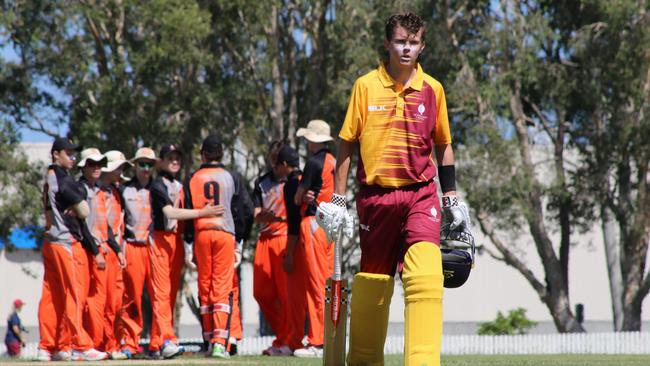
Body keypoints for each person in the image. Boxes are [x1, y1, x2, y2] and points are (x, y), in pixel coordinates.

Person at [316, 12, 471, 366]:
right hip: (377, 198)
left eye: (413, 43)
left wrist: (451, 197)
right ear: (388, 43)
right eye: (401, 41)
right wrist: (338, 200)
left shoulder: (433, 89)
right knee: (374, 281)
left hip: (420, 194)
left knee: (427, 276)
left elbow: (443, 145)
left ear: (422, 46)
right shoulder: (365, 86)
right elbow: (346, 144)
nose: (407, 49)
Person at [37, 137, 107, 362]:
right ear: (56, 154)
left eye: (74, 154)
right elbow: (85, 211)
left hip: (50, 241)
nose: (73, 157)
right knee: (75, 294)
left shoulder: (49, 177)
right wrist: (77, 208)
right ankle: (81, 345)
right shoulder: (62, 178)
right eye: (69, 153)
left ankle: (49, 346)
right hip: (65, 242)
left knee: (51, 297)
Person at [149, 144, 222, 358]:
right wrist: (202, 212)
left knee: (171, 294)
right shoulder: (157, 185)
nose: (174, 161)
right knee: (161, 293)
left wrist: (190, 247)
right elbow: (169, 212)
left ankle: (158, 341)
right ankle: (166, 340)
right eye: (169, 157)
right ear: (160, 161)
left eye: (177, 157)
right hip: (161, 241)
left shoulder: (180, 185)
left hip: (176, 242)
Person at [183, 135, 253, 359]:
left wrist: (187, 244)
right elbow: (245, 210)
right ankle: (220, 343)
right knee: (222, 287)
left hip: (202, 234)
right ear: (221, 154)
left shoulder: (193, 178)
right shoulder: (232, 177)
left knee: (205, 286)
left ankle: (207, 338)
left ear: (202, 154)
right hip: (224, 235)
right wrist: (240, 241)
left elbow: (185, 214)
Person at [286, 120, 336, 358]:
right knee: (326, 283)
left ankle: (317, 341)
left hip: (314, 222)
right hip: (330, 226)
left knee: (316, 285)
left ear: (312, 140)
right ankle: (328, 337)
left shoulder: (314, 163)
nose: (306, 143)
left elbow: (297, 199)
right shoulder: (333, 161)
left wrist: (301, 196)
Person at [77, 148, 124, 357]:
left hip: (104, 250)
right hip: (88, 251)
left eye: (99, 164)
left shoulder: (100, 190)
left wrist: (116, 249)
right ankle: (92, 345)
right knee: (93, 301)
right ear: (84, 166)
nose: (96, 168)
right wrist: (95, 251)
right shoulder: (79, 189)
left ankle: (105, 344)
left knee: (107, 302)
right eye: (92, 164)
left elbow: (105, 225)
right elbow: (81, 225)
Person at [251, 141, 292, 356]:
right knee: (261, 292)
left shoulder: (295, 178)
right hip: (265, 239)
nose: (275, 165)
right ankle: (284, 334)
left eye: (279, 161)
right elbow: (256, 213)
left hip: (285, 236)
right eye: (273, 160)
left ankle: (286, 340)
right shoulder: (261, 182)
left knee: (286, 295)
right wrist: (260, 216)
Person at [117, 147, 157, 358]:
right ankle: (130, 344)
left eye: (150, 164)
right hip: (132, 247)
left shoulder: (158, 189)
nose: (146, 168)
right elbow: (119, 223)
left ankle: (158, 342)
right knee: (131, 297)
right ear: (135, 165)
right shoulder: (124, 190)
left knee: (158, 296)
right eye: (142, 164)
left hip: (153, 248)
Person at [100, 150, 131, 360]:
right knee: (106, 302)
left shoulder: (117, 191)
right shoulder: (100, 192)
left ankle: (115, 343)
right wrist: (117, 249)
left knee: (117, 302)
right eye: (118, 167)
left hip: (117, 252)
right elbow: (105, 226)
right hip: (105, 250)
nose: (121, 172)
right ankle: (105, 344)